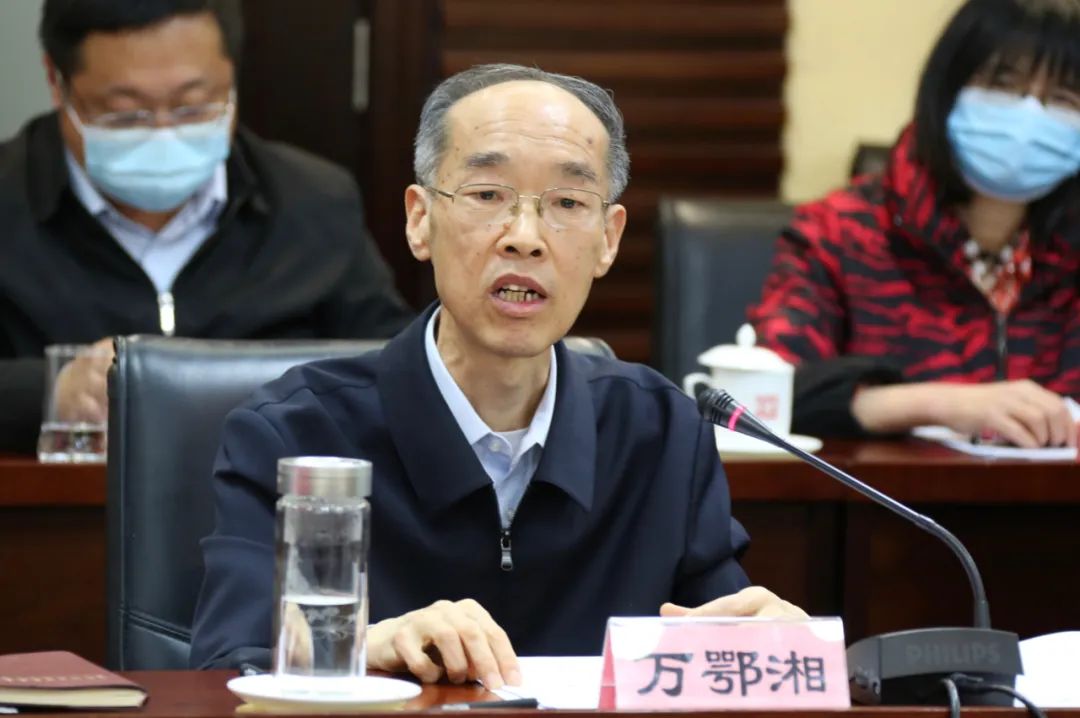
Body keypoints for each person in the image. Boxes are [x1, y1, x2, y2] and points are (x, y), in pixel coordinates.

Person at [190, 64, 805, 686]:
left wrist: (769, 647)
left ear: (608, 240)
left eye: (568, 203)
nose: (525, 238)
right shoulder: (293, 435)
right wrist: (362, 645)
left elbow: (723, 654)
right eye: (488, 195)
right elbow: (225, 670)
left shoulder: (663, 433)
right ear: (419, 219)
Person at [0, 0, 413, 453]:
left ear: (231, 76)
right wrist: (52, 390)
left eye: (193, 108)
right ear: (56, 82)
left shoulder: (314, 202)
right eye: (124, 114)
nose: (162, 134)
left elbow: (399, 367)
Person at [749, 0, 1080, 448]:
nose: (1029, 119)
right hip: (881, 494)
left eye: (1062, 98)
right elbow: (768, 396)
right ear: (944, 89)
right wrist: (938, 403)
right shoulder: (838, 232)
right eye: (1002, 85)